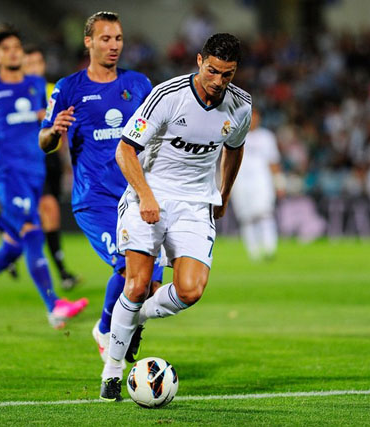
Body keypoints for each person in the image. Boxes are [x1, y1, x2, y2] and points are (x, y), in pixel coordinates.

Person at [99, 33, 252, 401]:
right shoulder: (168, 97)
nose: (218, 82)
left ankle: (135, 319)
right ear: (199, 61)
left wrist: (224, 194)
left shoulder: (241, 106)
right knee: (135, 286)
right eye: (213, 71)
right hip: (147, 195)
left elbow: (235, 149)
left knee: (190, 290)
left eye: (227, 75)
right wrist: (147, 197)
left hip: (196, 203)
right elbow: (125, 150)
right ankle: (112, 373)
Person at [39, 12, 163, 365]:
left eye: (119, 39)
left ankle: (117, 329)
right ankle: (108, 332)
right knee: (127, 266)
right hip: (94, 198)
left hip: (136, 195)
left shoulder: (139, 84)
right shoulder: (68, 88)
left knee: (149, 286)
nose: (114, 46)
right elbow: (43, 141)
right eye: (106, 39)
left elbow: (158, 131)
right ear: (88, 42)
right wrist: (53, 133)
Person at [0, 24, 87, 330]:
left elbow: (45, 122)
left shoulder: (36, 85)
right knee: (32, 231)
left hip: (35, 170)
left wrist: (48, 121)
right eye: (7, 49)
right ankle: (54, 306)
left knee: (14, 245)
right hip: (7, 171)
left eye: (17, 47)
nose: (14, 52)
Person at [20, 44, 79, 289]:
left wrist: (67, 160)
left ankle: (11, 246)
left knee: (43, 215)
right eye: (29, 64)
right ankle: (63, 273)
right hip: (29, 159)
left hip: (52, 159)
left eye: (38, 63)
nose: (35, 68)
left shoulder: (53, 90)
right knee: (50, 209)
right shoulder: (17, 95)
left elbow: (64, 127)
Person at [230, 107, 285, 260]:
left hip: (262, 181)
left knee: (264, 214)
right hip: (240, 182)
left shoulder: (267, 137)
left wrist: (279, 183)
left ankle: (269, 249)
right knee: (246, 217)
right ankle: (253, 252)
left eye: (255, 117)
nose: (252, 120)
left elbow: (273, 162)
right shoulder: (234, 135)